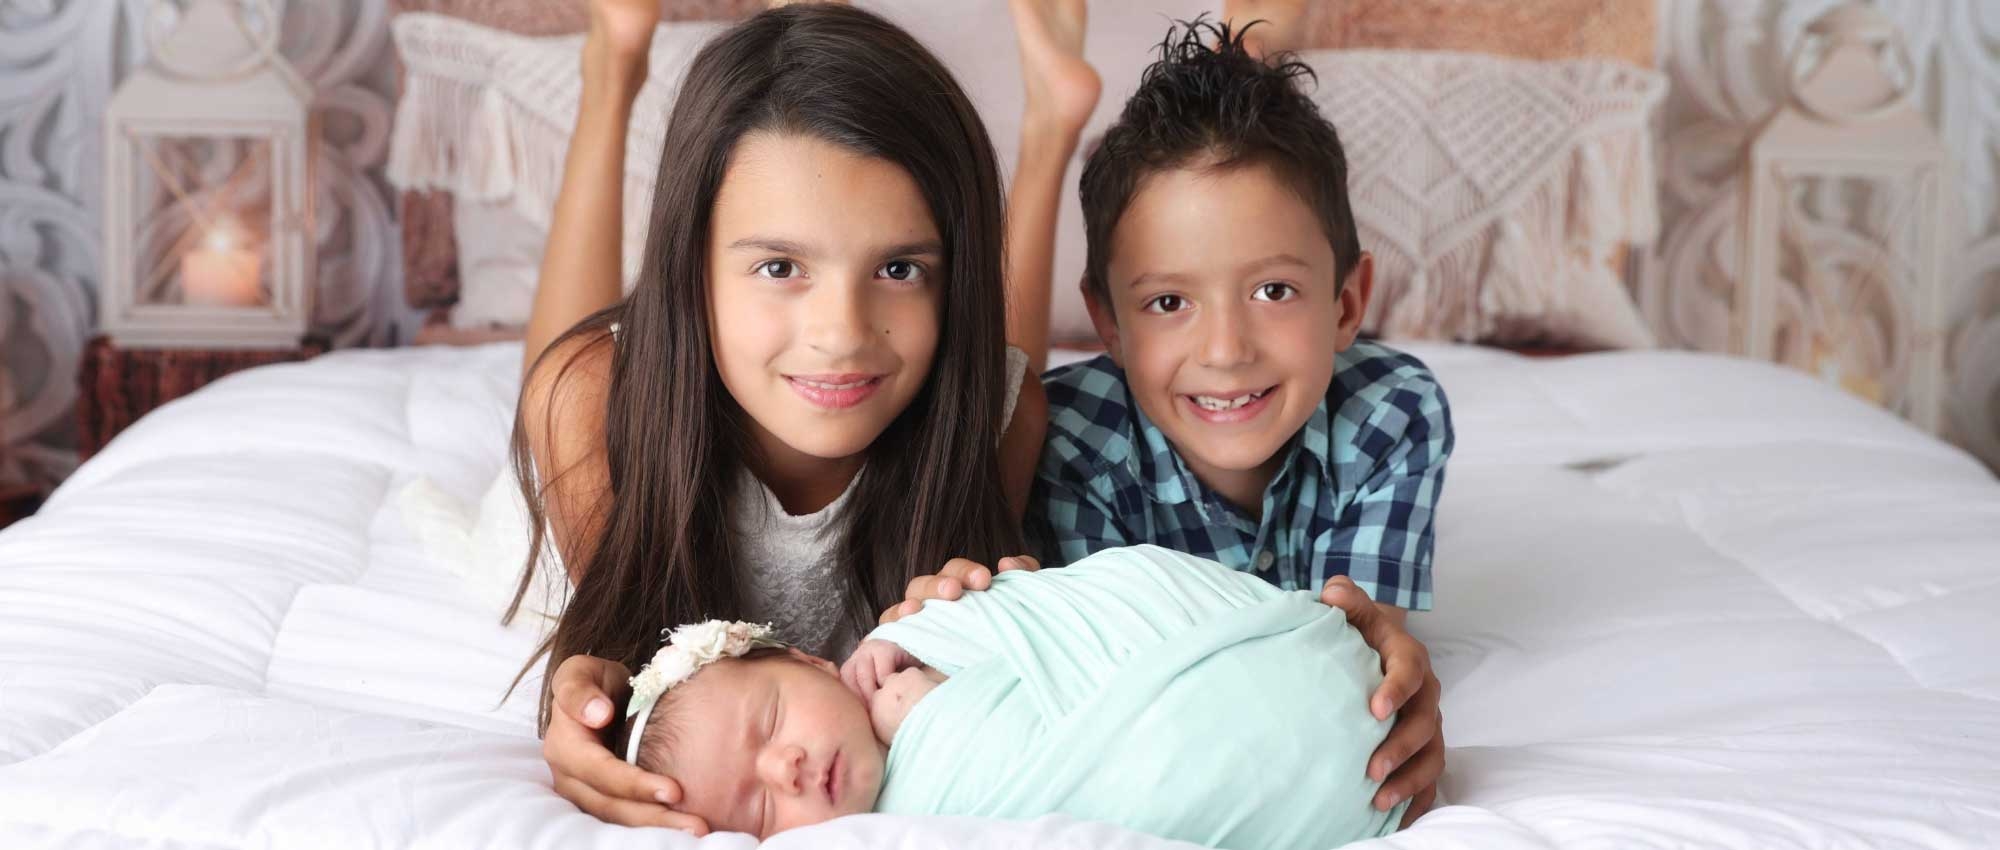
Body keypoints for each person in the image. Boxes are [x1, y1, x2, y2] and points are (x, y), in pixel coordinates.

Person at [509, 2, 1044, 833]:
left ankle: (1049, 132)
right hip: (608, 402)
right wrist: (586, 706)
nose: (841, 334)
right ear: (693, 267)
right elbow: (633, 656)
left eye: (900, 268)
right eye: (781, 265)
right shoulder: (590, 405)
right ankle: (611, 71)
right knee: (559, 368)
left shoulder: (1003, 413)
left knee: (990, 375)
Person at [627, 546, 1404, 848]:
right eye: (758, 813)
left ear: (811, 662)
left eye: (770, 722)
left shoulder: (913, 636)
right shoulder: (898, 824)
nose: (786, 769)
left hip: (1283, 656)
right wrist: (930, 719)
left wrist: (927, 656)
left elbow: (1075, 603)